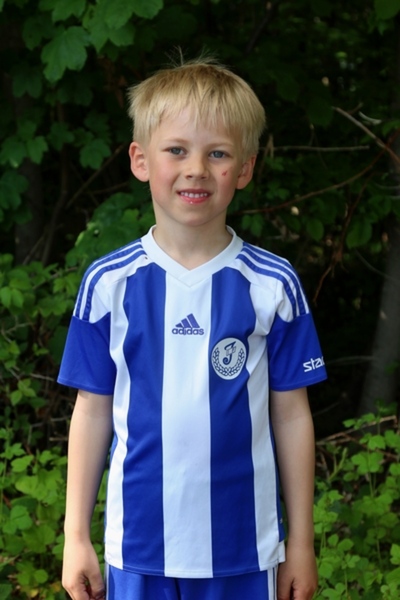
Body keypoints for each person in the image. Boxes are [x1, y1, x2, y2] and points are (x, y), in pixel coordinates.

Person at [58, 57, 327, 600]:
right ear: (140, 160)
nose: (197, 169)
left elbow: (292, 415)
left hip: (244, 549)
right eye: (177, 150)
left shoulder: (272, 285)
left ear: (245, 169)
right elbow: (91, 411)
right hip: (138, 548)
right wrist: (75, 536)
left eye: (218, 153)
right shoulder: (109, 283)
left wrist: (301, 542)